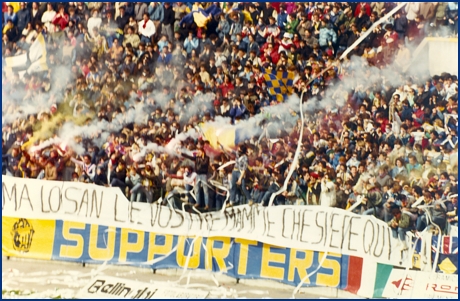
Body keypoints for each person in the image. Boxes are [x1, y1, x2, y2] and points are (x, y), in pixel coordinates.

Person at [177, 141, 211, 210]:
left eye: (199, 151)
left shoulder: (206, 158)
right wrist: (181, 153)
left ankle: (207, 204)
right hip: (198, 175)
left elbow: (204, 164)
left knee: (205, 190)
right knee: (197, 189)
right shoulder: (197, 158)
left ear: (202, 152)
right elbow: (189, 157)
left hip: (203, 175)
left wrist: (200, 157)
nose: (198, 152)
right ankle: (197, 202)